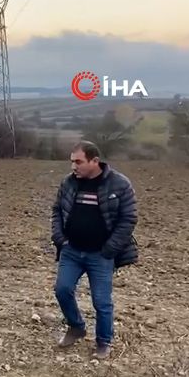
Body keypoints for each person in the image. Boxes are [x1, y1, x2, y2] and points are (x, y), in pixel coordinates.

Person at [50, 140, 138, 359]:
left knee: (102, 301)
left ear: (94, 161)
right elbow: (57, 211)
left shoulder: (119, 184)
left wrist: (110, 249)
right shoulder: (68, 183)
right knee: (62, 290)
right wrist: (60, 238)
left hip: (101, 254)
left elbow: (128, 219)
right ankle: (76, 327)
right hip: (72, 251)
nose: (73, 167)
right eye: (72, 162)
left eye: (78, 162)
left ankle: (103, 342)